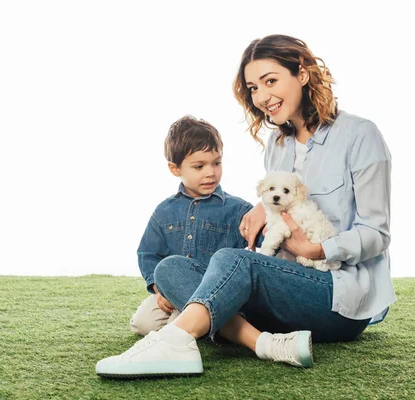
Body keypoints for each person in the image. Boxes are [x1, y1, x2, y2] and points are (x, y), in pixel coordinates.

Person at [96, 34, 395, 378]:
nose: (262, 96)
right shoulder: (277, 142)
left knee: (233, 260)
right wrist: (259, 207)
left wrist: (315, 249)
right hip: (284, 289)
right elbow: (282, 197)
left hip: (336, 294)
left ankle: (177, 339)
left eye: (270, 81)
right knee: (171, 269)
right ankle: (266, 343)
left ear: (301, 73)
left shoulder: (360, 134)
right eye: (254, 87)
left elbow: (377, 233)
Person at [129, 114, 253, 337]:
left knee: (180, 326)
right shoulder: (164, 211)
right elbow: (148, 254)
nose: (210, 172)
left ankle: (214, 323)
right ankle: (213, 328)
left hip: (214, 293)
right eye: (199, 166)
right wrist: (159, 289)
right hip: (170, 290)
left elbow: (264, 244)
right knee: (142, 324)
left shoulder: (238, 209)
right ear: (175, 169)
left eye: (217, 162)